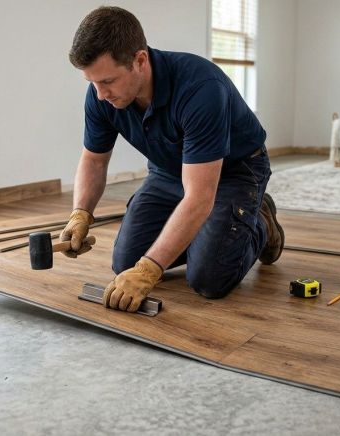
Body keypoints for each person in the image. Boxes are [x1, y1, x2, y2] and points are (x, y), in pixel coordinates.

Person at [60, 6, 284, 313]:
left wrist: (150, 268)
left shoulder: (201, 89)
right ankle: (209, 234)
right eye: (92, 82)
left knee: (208, 278)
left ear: (140, 60)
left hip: (234, 171)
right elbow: (94, 161)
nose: (100, 94)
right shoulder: (101, 97)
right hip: (169, 171)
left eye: (108, 81)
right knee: (126, 263)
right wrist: (81, 214)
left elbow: (199, 196)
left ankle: (260, 222)